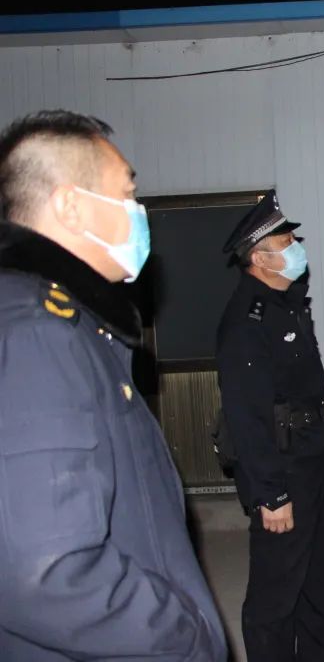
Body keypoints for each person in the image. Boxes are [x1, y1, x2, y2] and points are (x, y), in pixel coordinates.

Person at [0, 110, 227, 660]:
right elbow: (48, 571)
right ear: (70, 206)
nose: (137, 212)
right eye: (127, 193)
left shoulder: (75, 325)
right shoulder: (37, 334)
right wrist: (184, 639)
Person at [216, 191, 324, 661]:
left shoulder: (287, 305)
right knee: (276, 591)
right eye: (287, 242)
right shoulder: (246, 320)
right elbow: (245, 415)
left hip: (315, 461)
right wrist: (269, 494)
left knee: (320, 576)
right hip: (283, 469)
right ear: (260, 259)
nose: (297, 248)